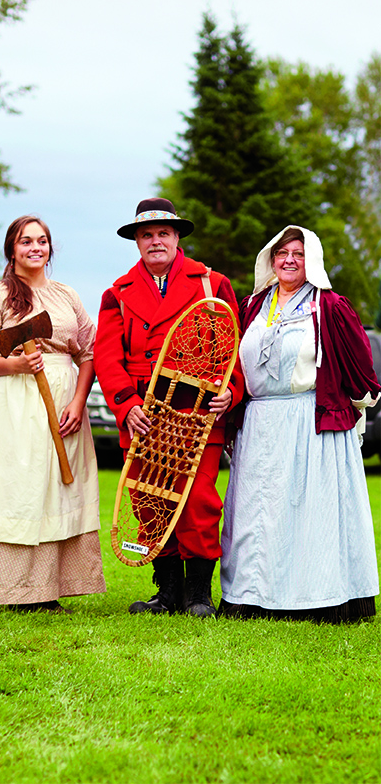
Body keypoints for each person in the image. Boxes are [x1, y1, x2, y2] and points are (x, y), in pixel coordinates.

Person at [220, 226, 380, 622]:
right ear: (270, 260)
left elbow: (361, 366)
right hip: (259, 423)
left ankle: (319, 598)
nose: (289, 259)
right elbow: (234, 367)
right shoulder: (253, 306)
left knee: (309, 511)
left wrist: (353, 406)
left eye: (299, 252)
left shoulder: (329, 306)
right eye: (282, 253)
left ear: (314, 260)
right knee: (255, 513)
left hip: (309, 420)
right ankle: (251, 596)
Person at [94, 198, 244, 617]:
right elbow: (107, 357)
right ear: (137, 242)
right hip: (143, 415)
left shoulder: (211, 284)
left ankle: (198, 594)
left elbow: (235, 347)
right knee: (148, 502)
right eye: (147, 234)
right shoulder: (117, 293)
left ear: (177, 237)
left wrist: (231, 390)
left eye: (163, 233)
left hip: (196, 415)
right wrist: (125, 406)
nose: (155, 240)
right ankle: (168, 593)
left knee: (198, 501)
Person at [0, 215, 105, 612]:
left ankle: (53, 587)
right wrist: (16, 366)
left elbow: (89, 352)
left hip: (61, 397)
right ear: (12, 249)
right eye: (26, 241)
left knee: (59, 489)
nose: (35, 248)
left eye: (42, 241)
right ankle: (15, 589)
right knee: (20, 487)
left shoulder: (66, 295)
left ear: (50, 248)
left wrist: (78, 402)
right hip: (15, 399)